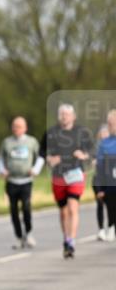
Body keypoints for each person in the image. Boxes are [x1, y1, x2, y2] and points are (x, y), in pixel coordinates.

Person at [42, 104, 95, 259]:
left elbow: (92, 150)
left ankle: (72, 241)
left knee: (73, 207)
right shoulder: (51, 133)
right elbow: (40, 151)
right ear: (59, 116)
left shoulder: (81, 132)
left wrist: (84, 155)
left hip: (75, 174)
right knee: (64, 211)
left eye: (67, 114)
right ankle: (66, 238)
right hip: (58, 175)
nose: (65, 117)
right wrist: (49, 159)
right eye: (62, 114)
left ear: (73, 116)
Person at [0, 116, 45, 249]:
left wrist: (35, 169)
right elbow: (0, 158)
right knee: (13, 210)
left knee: (26, 207)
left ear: (25, 128)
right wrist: (2, 170)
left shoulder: (31, 142)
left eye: (19, 126)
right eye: (14, 126)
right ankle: (18, 236)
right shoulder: (7, 142)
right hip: (12, 181)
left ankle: (28, 233)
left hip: (26, 181)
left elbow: (41, 156)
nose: (16, 129)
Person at [96, 112, 116, 243]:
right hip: (110, 184)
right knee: (111, 208)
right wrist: (100, 188)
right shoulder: (104, 144)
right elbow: (100, 168)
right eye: (109, 124)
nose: (109, 126)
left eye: (112, 124)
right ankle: (111, 227)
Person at [93, 124, 113, 242]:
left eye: (106, 132)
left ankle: (111, 227)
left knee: (111, 205)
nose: (104, 135)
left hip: (110, 180)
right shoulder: (97, 147)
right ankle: (101, 230)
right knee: (99, 203)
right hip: (98, 179)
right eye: (102, 133)